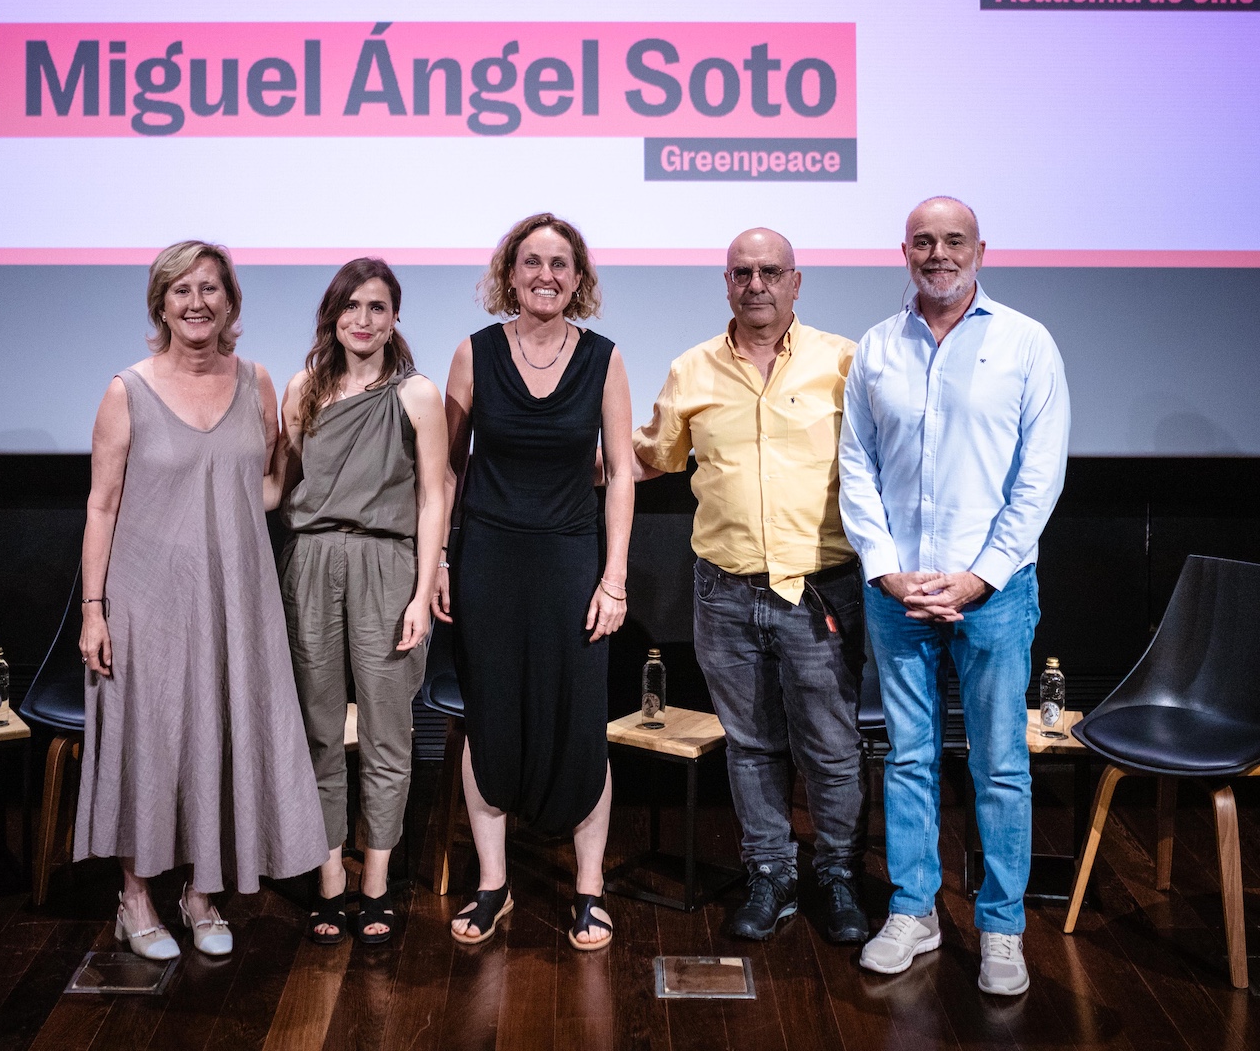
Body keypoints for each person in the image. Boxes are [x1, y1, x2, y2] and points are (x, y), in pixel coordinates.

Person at [837, 198, 1070, 997]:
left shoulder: (1026, 343)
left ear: (980, 249)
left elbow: (1040, 478)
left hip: (993, 595)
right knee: (908, 758)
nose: (938, 254)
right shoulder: (877, 347)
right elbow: (856, 467)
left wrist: (980, 576)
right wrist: (886, 569)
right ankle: (915, 911)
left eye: (954, 241)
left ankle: (1001, 927)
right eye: (924, 242)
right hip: (898, 594)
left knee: (1000, 765)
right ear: (904, 251)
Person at [73, 240, 329, 959]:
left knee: (219, 737)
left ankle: (201, 893)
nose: (196, 303)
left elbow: (264, 488)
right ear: (161, 304)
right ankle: (134, 897)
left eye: (210, 288)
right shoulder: (127, 391)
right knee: (150, 741)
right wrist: (93, 610)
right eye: (181, 290)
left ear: (230, 301)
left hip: (234, 596)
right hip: (147, 599)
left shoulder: (256, 382)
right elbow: (101, 505)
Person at [632, 227, 871, 945]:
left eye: (770, 271)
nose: (756, 284)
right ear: (727, 283)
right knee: (751, 744)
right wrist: (554, 461)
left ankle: (838, 875)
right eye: (742, 272)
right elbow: (653, 455)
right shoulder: (692, 369)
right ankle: (771, 873)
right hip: (725, 592)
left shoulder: (844, 362)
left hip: (819, 592)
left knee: (830, 746)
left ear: (796, 282)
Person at [434, 213, 635, 952]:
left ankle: (589, 889)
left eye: (559, 263)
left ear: (577, 279)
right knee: (489, 717)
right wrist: (441, 561)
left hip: (571, 562)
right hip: (488, 559)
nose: (545, 275)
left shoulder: (604, 359)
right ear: (509, 274)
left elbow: (621, 475)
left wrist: (614, 579)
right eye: (531, 262)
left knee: (580, 719)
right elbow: (446, 472)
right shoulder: (474, 352)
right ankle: (494, 884)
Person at [274, 259, 450, 946]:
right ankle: (328, 880)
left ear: (395, 316)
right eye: (351, 306)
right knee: (317, 731)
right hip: (311, 564)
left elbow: (434, 496)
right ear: (333, 315)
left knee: (386, 734)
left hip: (387, 565)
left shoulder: (417, 395)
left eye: (377, 307)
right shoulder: (303, 389)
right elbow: (283, 485)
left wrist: (423, 588)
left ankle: (375, 883)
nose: (363, 319)